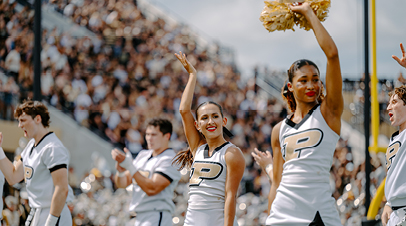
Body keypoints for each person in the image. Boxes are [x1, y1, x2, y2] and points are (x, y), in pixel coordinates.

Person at [266, 2, 343, 225]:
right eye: (303, 80)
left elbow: (333, 55)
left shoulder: (329, 113)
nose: (311, 85)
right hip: (281, 214)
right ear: (290, 86)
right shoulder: (278, 130)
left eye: (316, 80)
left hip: (318, 213)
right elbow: (277, 182)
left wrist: (308, 12)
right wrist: (270, 213)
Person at [173, 52, 245, 226]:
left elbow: (230, 196)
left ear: (224, 121)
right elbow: (184, 111)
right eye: (204, 118)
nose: (210, 121)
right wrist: (192, 75)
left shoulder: (231, 153)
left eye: (215, 116)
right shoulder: (197, 147)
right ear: (197, 125)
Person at [0, 100, 72, 226]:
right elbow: (13, 177)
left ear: (38, 119)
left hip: (53, 214)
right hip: (37, 212)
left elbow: (62, 189)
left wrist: (51, 222)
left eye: (23, 120)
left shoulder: (52, 147)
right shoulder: (31, 146)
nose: (19, 125)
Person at [111, 118, 181, 226]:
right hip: (139, 215)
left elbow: (152, 189)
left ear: (167, 136)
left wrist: (130, 166)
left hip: (156, 215)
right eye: (147, 134)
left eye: (154, 135)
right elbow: (123, 183)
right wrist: (120, 171)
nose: (149, 138)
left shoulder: (170, 159)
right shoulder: (143, 155)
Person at [381, 43, 406, 226]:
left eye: (395, 102)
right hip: (396, 212)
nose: (389, 107)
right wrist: (388, 203)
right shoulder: (395, 139)